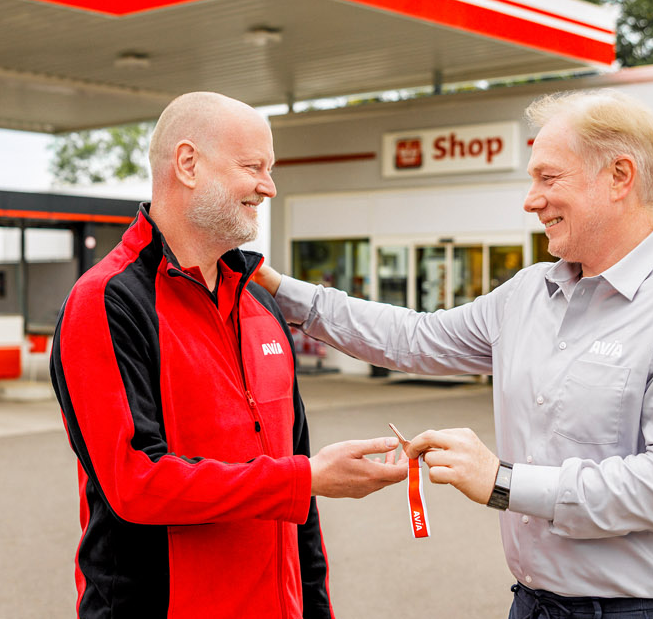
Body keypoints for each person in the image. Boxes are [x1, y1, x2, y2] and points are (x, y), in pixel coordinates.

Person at [255, 89, 653, 618]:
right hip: (535, 605)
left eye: (548, 178)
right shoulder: (528, 293)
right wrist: (274, 287)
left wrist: (502, 482)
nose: (530, 199)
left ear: (620, 177)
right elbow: (413, 337)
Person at [49, 91, 407, 619]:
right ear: (188, 164)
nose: (269, 186)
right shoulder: (107, 300)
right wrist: (303, 478)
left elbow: (298, 511)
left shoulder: (260, 302)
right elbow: (136, 483)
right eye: (253, 166)